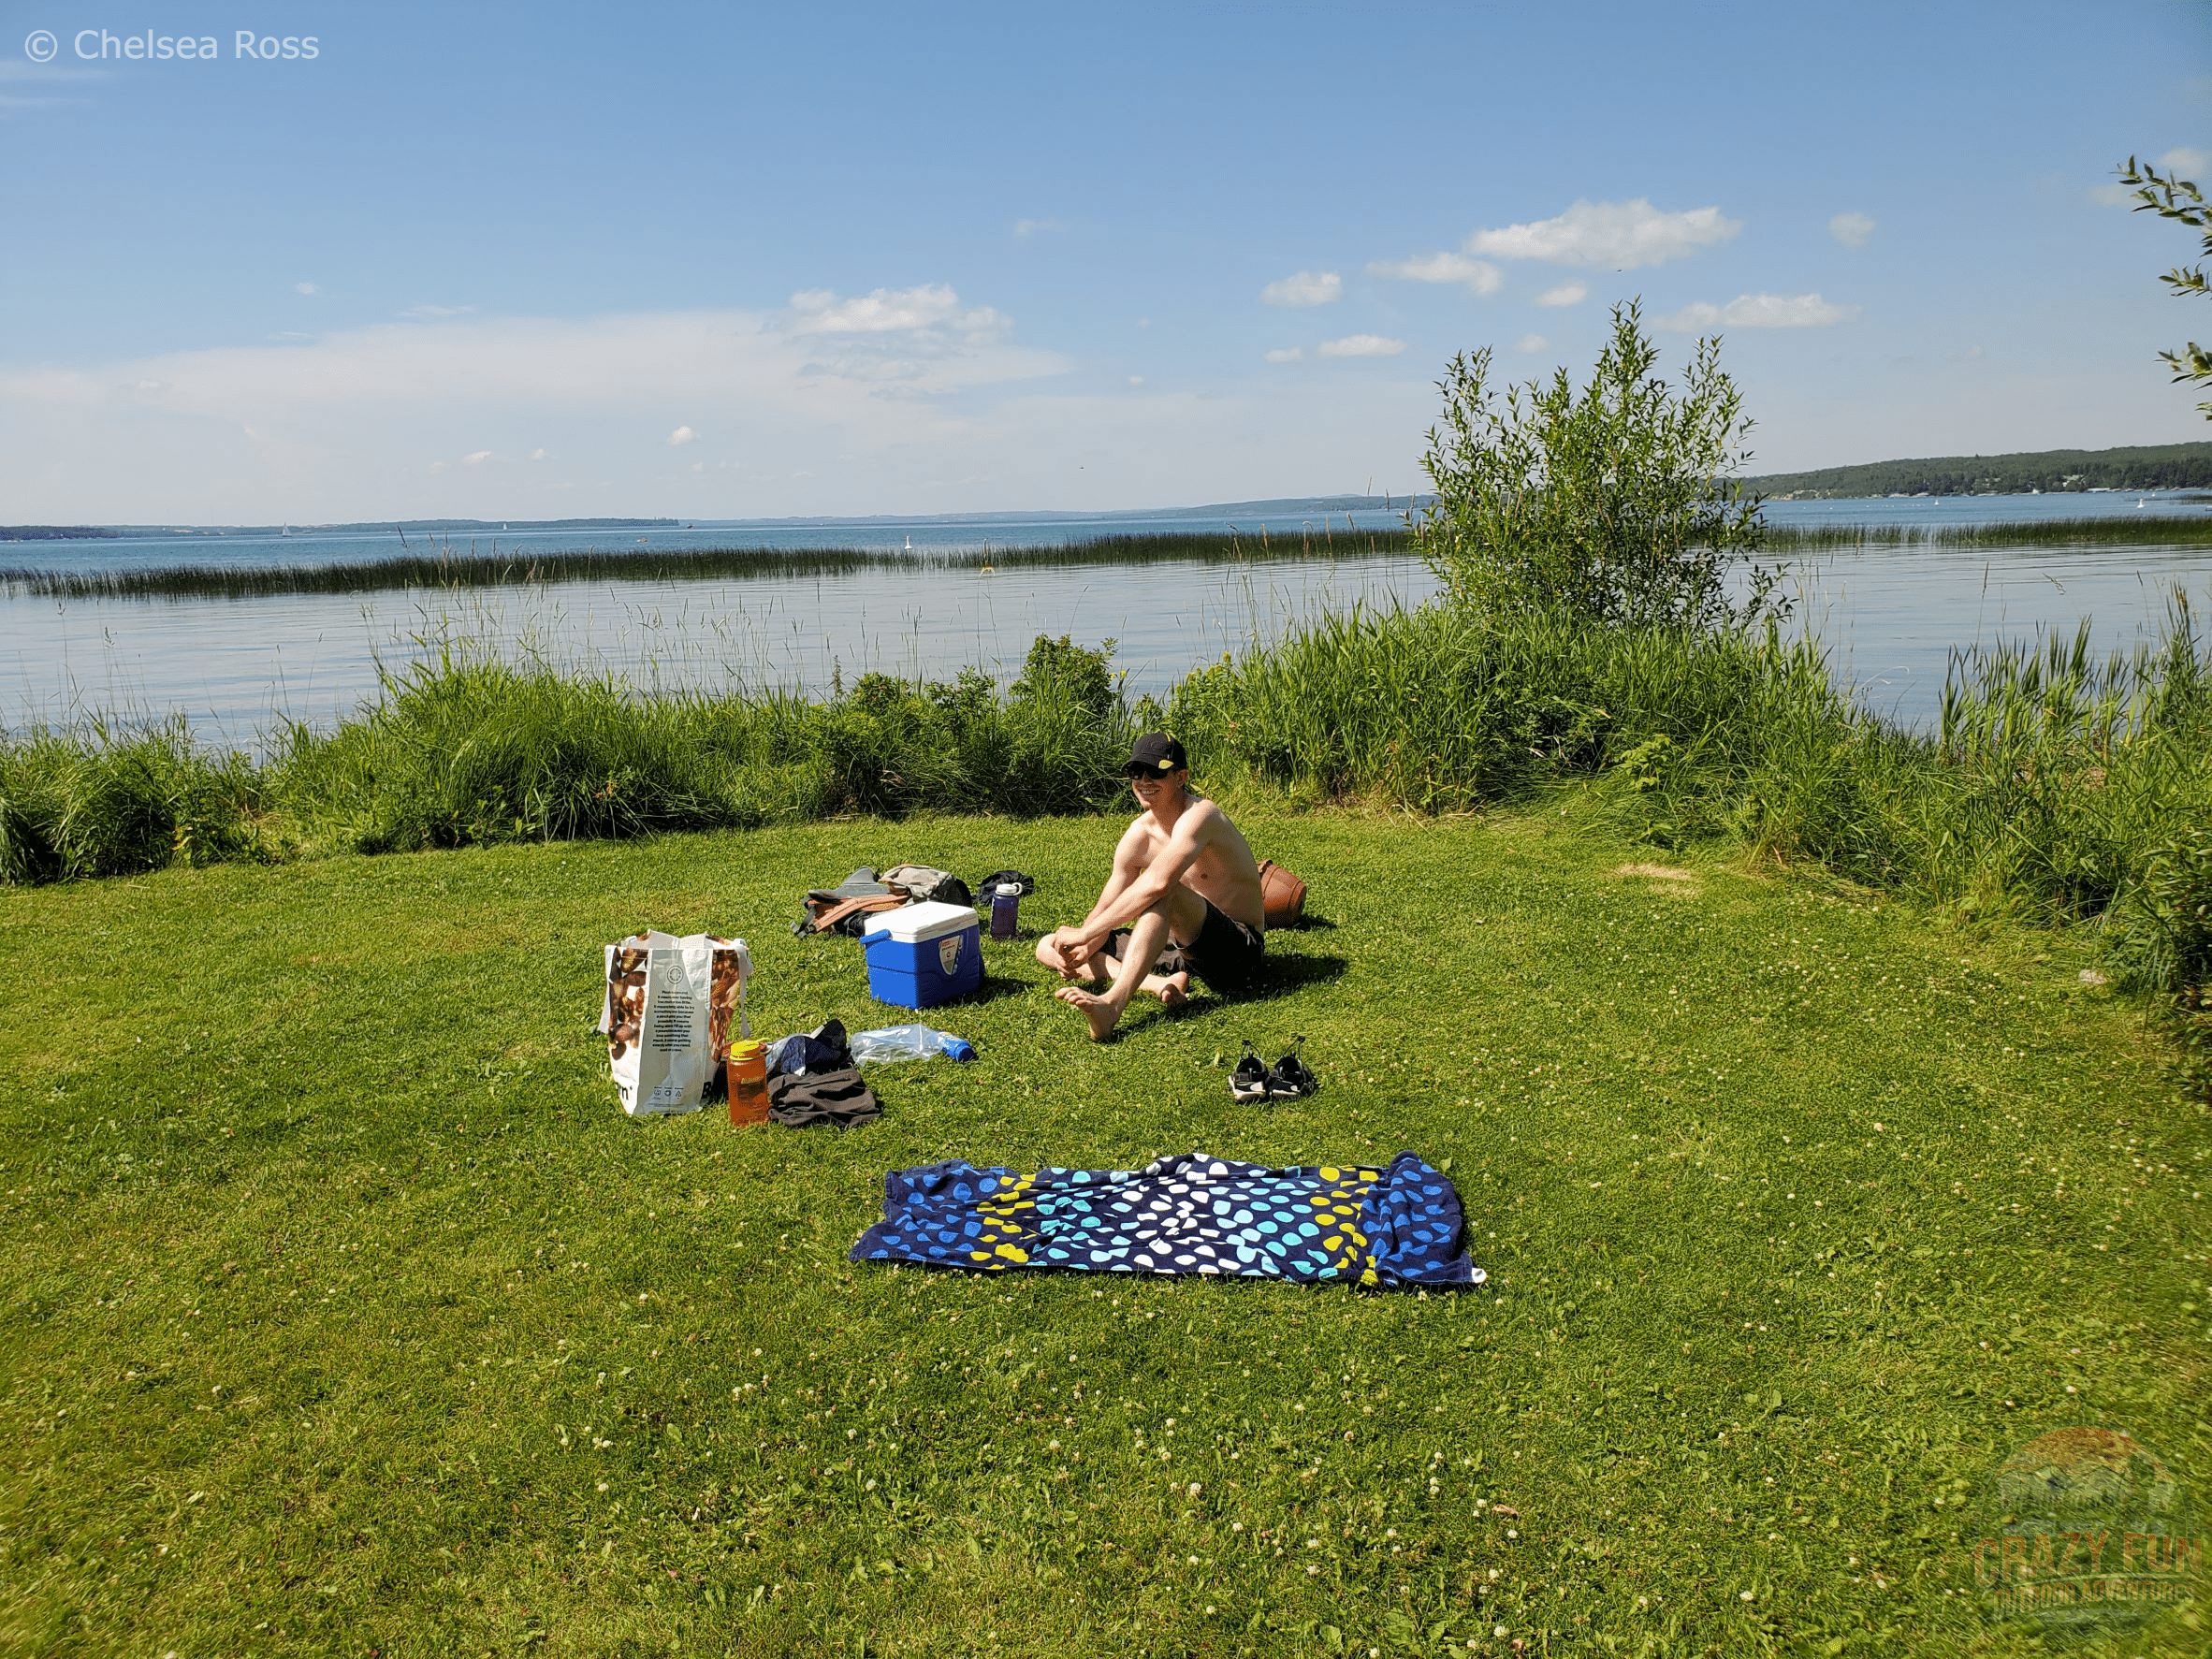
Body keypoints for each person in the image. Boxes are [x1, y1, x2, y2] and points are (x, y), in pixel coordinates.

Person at [1039, 733, 1267, 1040]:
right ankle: (1162, 983)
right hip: (1176, 947)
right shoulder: (1140, 834)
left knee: (1164, 891)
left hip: (1236, 955)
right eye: (1136, 773)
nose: (1144, 781)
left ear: (1181, 777)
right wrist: (1079, 948)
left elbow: (1158, 883)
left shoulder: (1201, 816)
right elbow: (1109, 903)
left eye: (1156, 772)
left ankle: (1112, 1005)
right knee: (1047, 944)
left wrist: (1085, 935)